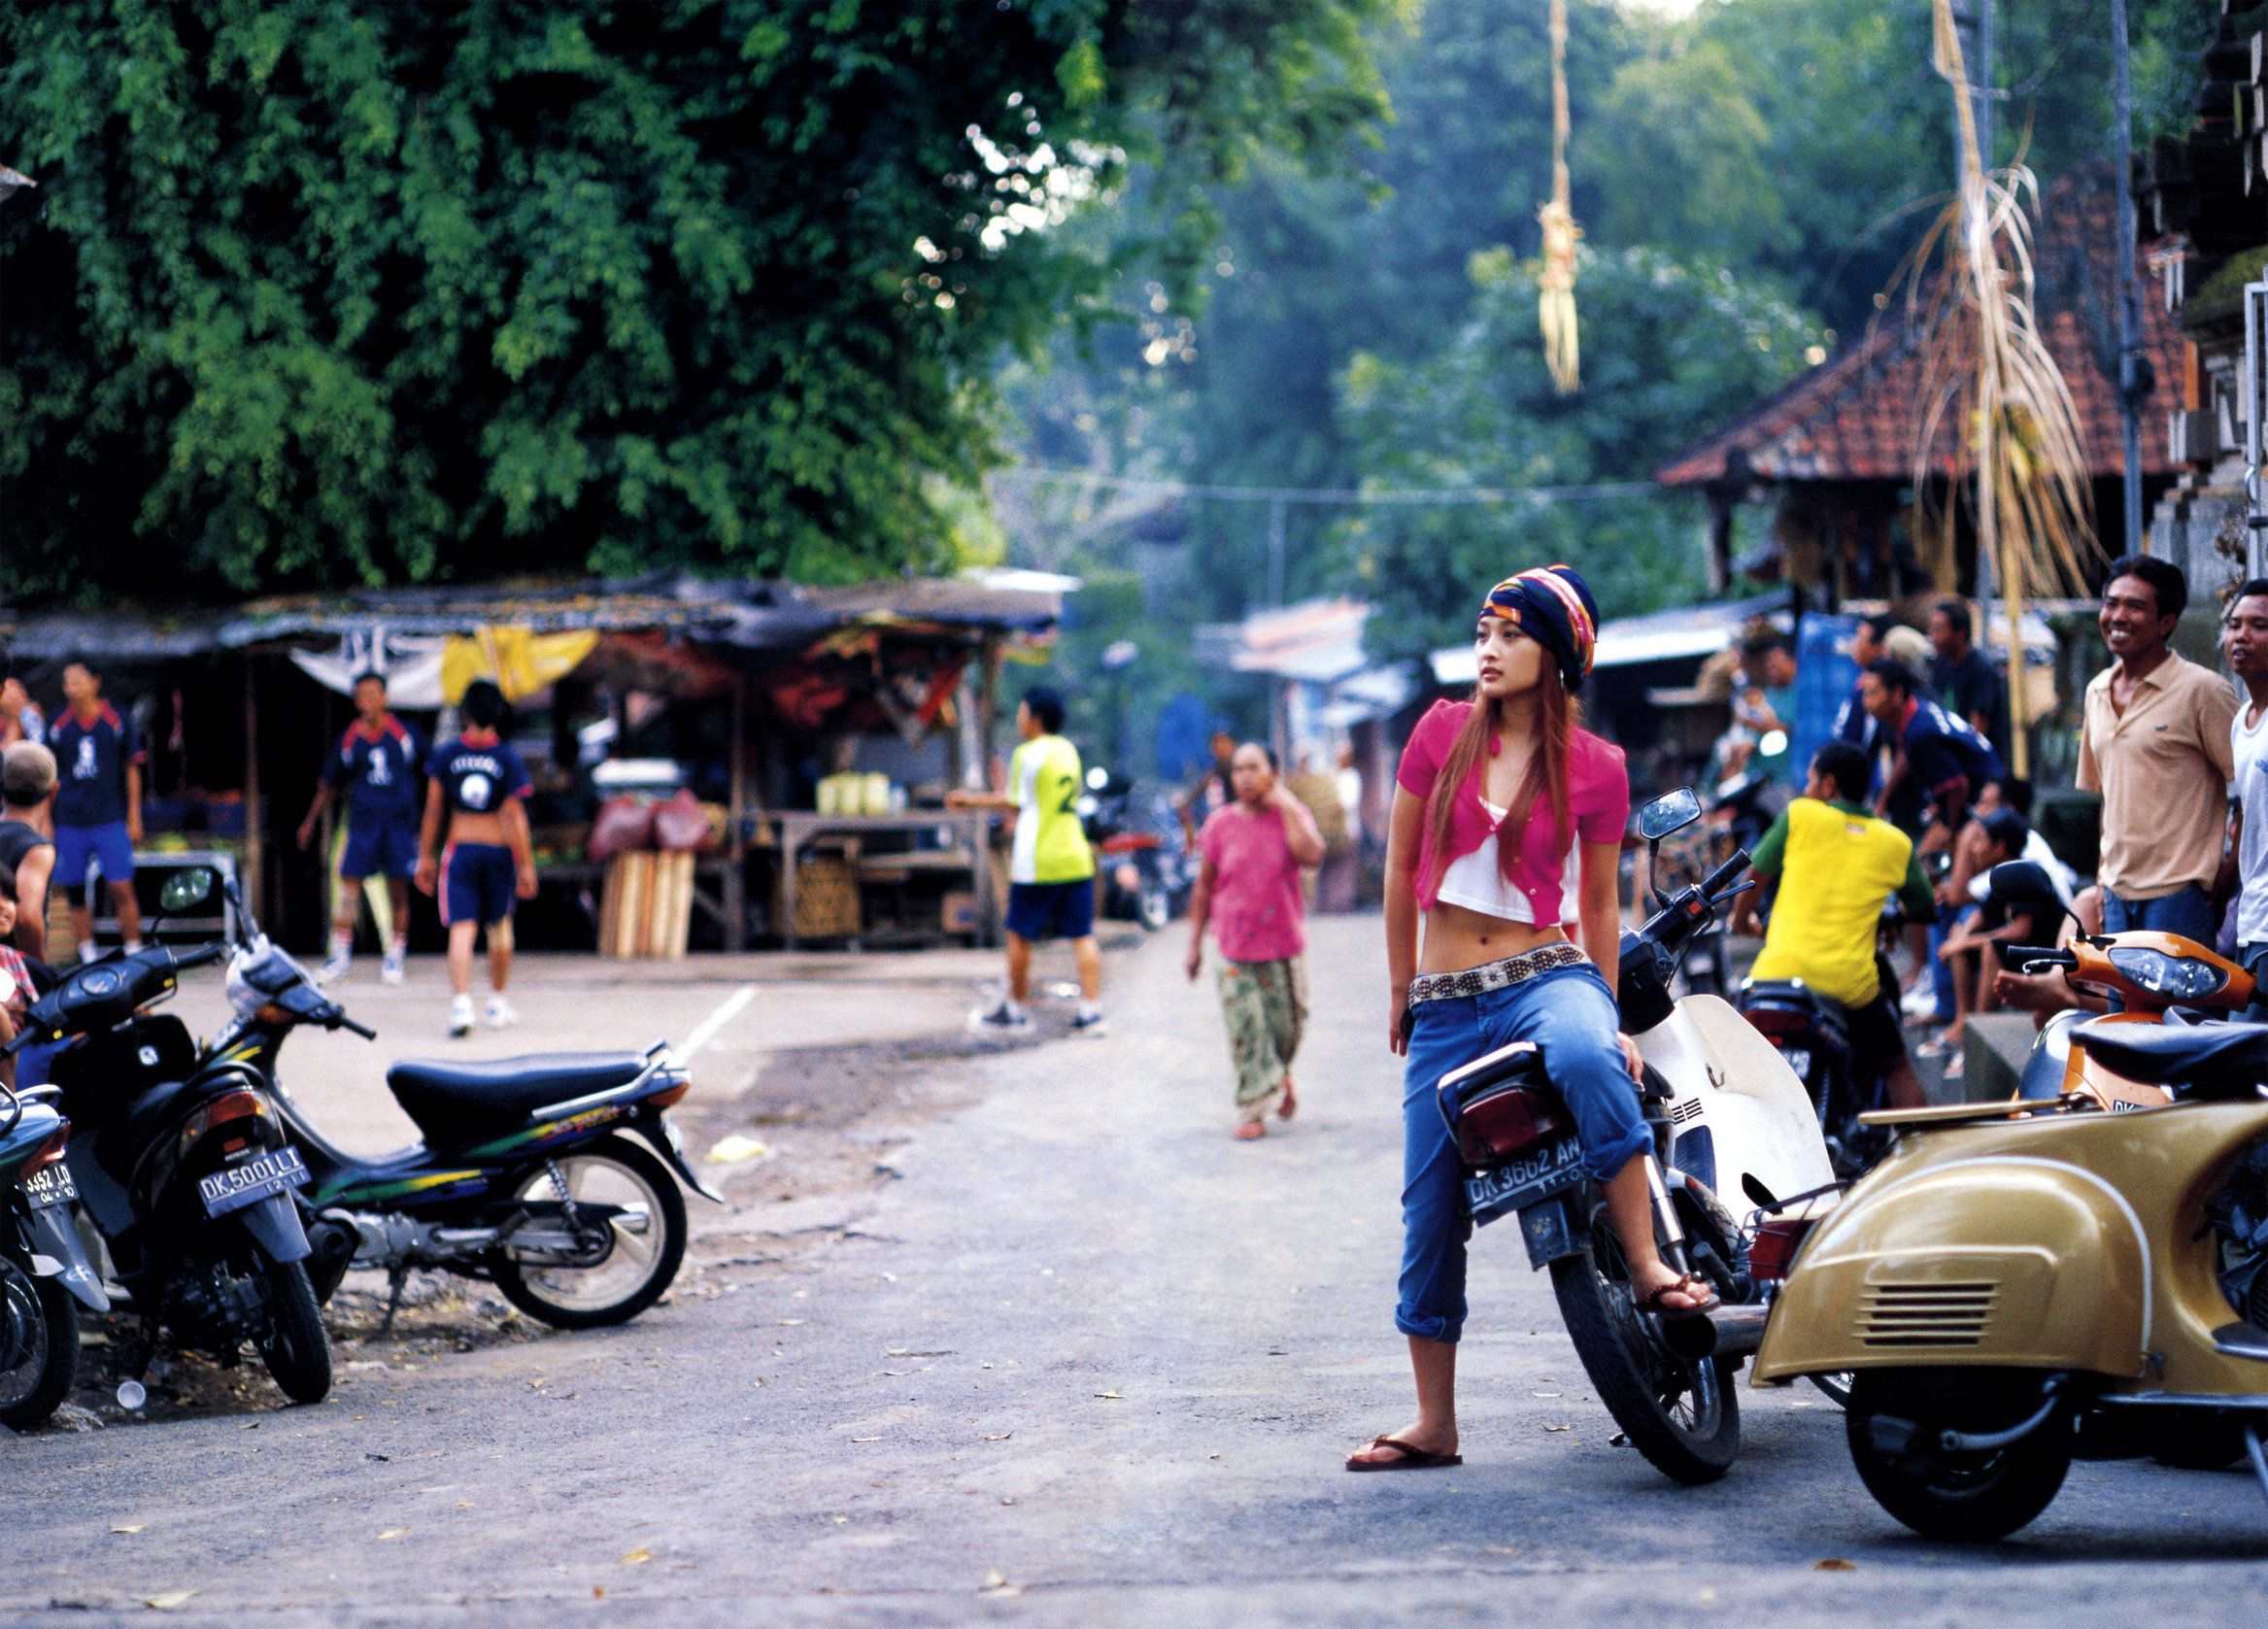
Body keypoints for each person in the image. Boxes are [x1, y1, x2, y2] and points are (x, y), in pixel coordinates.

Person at [1350, 564, 1709, 1476]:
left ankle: (1644, 1263)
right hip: (1443, 1005)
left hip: (1543, 976)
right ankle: (1435, 1420)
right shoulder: (1437, 735)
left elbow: (1595, 904)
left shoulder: (1597, 769)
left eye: (1510, 633)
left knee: (1593, 1058)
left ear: (1557, 656)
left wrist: (1604, 1006)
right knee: (1428, 1207)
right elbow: (1397, 870)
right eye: (1483, 628)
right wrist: (1400, 984)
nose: (1488, 646)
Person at [1730, 741, 1932, 1110]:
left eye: (1810, 781)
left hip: (1774, 978)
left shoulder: (1800, 815)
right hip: (1849, 987)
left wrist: (1741, 921)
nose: (1807, 789)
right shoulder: (1895, 843)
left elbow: (1753, 876)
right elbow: (1923, 906)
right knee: (1896, 1066)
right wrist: (1893, 918)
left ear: (1828, 785)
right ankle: (1920, 1158)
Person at [2077, 555, 2236, 941]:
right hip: (2116, 895)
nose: (2117, 616)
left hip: (2181, 895)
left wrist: (2222, 878)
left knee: (2178, 1004)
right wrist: (2102, 883)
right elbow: (2109, 798)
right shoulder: (2096, 690)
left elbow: (2253, 787)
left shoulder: (2203, 691)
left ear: (2167, 622)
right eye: (2111, 602)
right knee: (2122, 1004)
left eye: (2134, 606)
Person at [1185, 743, 1326, 1138]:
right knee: (1246, 1025)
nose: (1245, 776)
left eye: (1254, 768)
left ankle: (1279, 1076)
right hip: (1233, 944)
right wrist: (1194, 944)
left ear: (1273, 772)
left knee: (1287, 1029)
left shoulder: (1291, 816)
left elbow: (1313, 856)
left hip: (1283, 944)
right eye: (1238, 770)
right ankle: (1253, 1108)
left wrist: (1286, 804)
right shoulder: (1220, 824)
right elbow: (1203, 887)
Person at [948, 687, 1104, 1035]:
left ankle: (1015, 1011)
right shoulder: (1069, 751)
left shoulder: (1028, 754)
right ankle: (1092, 1011)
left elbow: (1015, 803)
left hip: (1039, 858)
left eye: (1021, 711)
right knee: (1082, 935)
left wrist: (969, 802)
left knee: (1019, 933)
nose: (1018, 718)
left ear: (1035, 717)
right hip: (1075, 854)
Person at [414, 680, 536, 1037]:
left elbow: (433, 811)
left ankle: (462, 1004)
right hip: (499, 849)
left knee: (462, 928)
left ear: (464, 713)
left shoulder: (447, 755)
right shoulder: (507, 758)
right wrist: (526, 864)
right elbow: (515, 816)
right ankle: (497, 1002)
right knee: (500, 926)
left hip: (460, 850)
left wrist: (425, 856)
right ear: (499, 713)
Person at [298, 672, 423, 987]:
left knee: (398, 888)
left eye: (372, 695)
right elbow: (328, 784)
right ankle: (340, 956)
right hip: (364, 825)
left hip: (398, 824)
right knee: (348, 887)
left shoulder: (405, 734)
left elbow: (432, 773)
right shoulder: (350, 739)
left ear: (385, 697)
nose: (366, 702)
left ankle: (395, 954)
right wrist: (310, 821)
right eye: (361, 696)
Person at [49, 662, 144, 960]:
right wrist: (47, 822)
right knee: (75, 890)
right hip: (70, 819)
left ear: (95, 682)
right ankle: (88, 955)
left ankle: (134, 950)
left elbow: (132, 767)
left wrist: (134, 815)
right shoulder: (57, 724)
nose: (72, 688)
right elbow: (49, 775)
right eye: (67, 682)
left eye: (78, 681)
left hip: (109, 816)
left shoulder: (116, 720)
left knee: (121, 886)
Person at [2220, 579, 2268, 1002]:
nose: (2242, 636)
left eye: (2259, 626)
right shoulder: (2242, 722)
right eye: (2235, 624)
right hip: (2253, 922)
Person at [1928, 598, 2009, 758]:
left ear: (1960, 634)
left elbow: (1977, 730)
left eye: (1939, 630)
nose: (1933, 637)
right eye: (1931, 629)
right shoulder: (1941, 666)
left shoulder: (1981, 670)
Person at [0, 742, 56, 958]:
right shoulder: (36, 849)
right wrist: (37, 971)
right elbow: (25, 917)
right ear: (54, 791)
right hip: (8, 979)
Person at [1176, 730, 1237, 844]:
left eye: (1224, 745)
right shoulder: (1220, 768)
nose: (1220, 750)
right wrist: (1186, 803)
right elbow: (1204, 783)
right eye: (1216, 747)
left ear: (1232, 745)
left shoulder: (1241, 767)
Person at [0, 677, 45, 747]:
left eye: (19, 693)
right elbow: (7, 755)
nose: (18, 700)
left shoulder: (29, 716)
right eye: (10, 697)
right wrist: (14, 721)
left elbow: (37, 747)